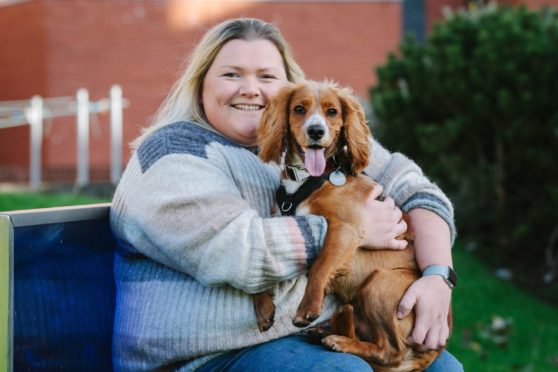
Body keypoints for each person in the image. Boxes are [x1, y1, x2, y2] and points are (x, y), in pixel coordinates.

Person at [110, 18, 462, 371]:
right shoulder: (173, 151)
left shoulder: (309, 143)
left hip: (306, 334)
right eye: (232, 75)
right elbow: (238, 252)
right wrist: (351, 228)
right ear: (201, 84)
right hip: (202, 356)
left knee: (444, 368)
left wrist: (437, 275)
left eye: (266, 76)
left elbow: (416, 189)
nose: (250, 89)